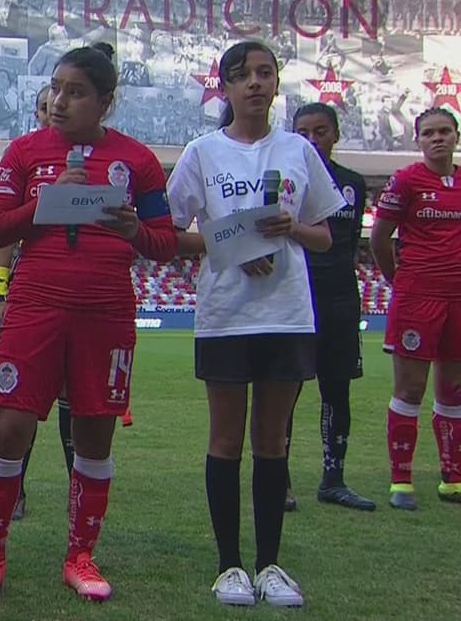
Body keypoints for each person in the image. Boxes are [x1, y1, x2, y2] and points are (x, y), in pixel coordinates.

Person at [0, 43, 176, 605]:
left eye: (75, 92)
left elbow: (165, 243)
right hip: (35, 304)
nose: (59, 101)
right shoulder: (23, 152)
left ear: (105, 102)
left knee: (94, 436)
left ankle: (81, 555)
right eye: (56, 88)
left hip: (106, 310)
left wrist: (132, 230)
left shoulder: (138, 161)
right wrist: (47, 204)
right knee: (10, 428)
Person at [166, 40, 346, 608]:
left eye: (265, 73)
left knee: (272, 440)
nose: (255, 84)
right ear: (224, 87)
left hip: (286, 313)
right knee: (225, 439)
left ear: (276, 83)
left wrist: (291, 228)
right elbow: (170, 233)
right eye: (242, 75)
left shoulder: (297, 150)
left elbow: (325, 236)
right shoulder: (202, 152)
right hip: (225, 314)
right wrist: (234, 245)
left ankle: (270, 564)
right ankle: (229, 567)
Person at [282, 103, 376, 512]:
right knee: (284, 391)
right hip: (296, 295)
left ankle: (333, 480)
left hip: (339, 298)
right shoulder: (286, 181)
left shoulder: (352, 183)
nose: (312, 140)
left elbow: (350, 243)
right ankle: (279, 480)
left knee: (337, 389)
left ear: (335, 134)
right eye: (302, 132)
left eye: (320, 131)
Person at [369, 107, 461, 511]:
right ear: (418, 140)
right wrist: (400, 282)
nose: (437, 138)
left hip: (458, 299)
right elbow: (379, 238)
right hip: (417, 297)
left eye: (445, 131)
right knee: (410, 388)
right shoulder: (406, 180)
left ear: (456, 136)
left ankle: (452, 477)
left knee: (453, 389)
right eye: (429, 133)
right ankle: (401, 479)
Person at [0, 83, 75, 522]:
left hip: (81, 295)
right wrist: (0, 291)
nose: (51, 112)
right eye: (44, 107)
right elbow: (3, 233)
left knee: (73, 398)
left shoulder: (93, 157)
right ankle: (16, 489)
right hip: (34, 290)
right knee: (22, 398)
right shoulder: (26, 156)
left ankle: (77, 490)